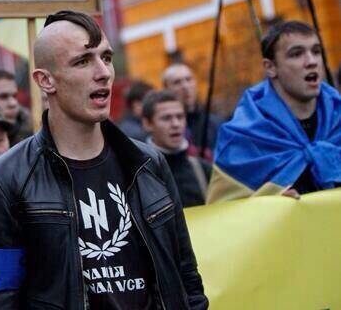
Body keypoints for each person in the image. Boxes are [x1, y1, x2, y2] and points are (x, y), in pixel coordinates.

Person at [0, 11, 207, 309]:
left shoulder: (149, 163)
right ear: (45, 80)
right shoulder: (7, 177)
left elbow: (186, 276)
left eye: (107, 58)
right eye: (83, 61)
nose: (103, 72)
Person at [208, 20, 341, 203]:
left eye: (316, 51)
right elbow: (223, 214)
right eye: (296, 54)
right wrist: (268, 205)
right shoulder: (245, 135)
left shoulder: (338, 118)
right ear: (270, 67)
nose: (311, 61)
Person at [141, 91, 211, 207]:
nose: (175, 124)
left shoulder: (203, 170)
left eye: (180, 117)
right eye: (166, 118)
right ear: (147, 124)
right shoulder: (138, 174)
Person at [162, 63, 222, 157]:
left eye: (188, 79)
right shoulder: (164, 127)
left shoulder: (215, 122)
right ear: (166, 89)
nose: (185, 86)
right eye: (177, 82)